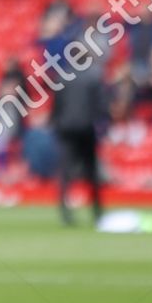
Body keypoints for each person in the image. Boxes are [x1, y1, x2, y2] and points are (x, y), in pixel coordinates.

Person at [51, 57, 108, 226]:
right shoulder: (93, 77)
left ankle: (65, 211)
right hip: (86, 129)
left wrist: (57, 123)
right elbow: (101, 105)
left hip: (66, 130)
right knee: (91, 171)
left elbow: (57, 105)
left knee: (65, 172)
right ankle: (97, 211)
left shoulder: (62, 77)